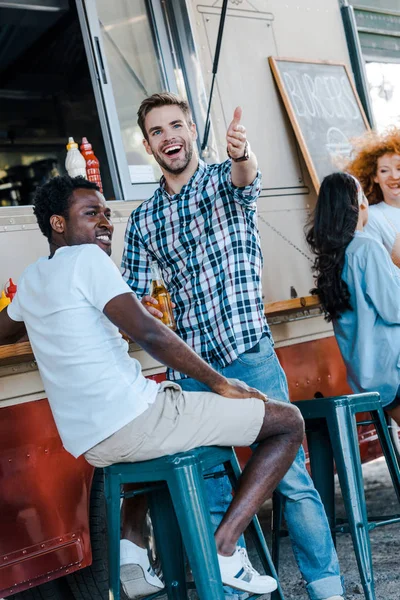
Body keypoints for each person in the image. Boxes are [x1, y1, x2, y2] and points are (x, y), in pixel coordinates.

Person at [0, 175, 305, 598]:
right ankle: (224, 547)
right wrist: (222, 383)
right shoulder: (87, 260)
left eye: (107, 213)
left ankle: (133, 553)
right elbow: (151, 333)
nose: (105, 222)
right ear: (57, 223)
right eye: (92, 214)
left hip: (96, 445)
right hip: (136, 421)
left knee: (167, 413)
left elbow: (4, 329)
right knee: (287, 422)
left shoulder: (33, 279)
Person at [121, 92, 344, 600]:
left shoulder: (224, 179)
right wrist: (148, 311)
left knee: (291, 479)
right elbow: (130, 295)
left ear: (192, 128)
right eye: (157, 131)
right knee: (215, 492)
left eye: (176, 125)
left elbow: (246, 175)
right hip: (195, 372)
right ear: (148, 144)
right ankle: (239, 592)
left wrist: (242, 152)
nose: (168, 137)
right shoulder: (143, 219)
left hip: (249, 355)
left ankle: (327, 590)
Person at [306, 171, 400, 425]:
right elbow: (395, 309)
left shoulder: (334, 257)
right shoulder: (367, 247)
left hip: (367, 377)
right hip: (393, 369)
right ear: (360, 204)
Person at [346, 127, 400, 266]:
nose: (394, 176)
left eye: (399, 169)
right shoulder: (372, 216)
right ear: (375, 176)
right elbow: (377, 269)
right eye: (384, 170)